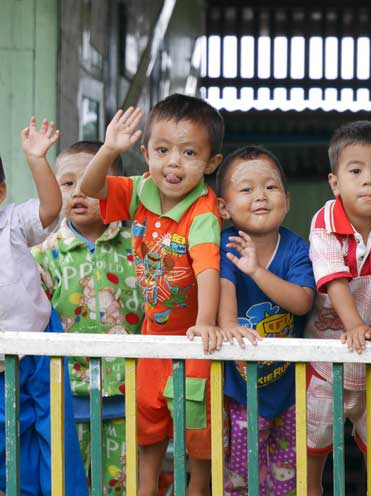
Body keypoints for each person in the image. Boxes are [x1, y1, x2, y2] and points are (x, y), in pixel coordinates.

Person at [80, 94, 224, 496]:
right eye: (162, 150)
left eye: (189, 153)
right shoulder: (142, 190)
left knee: (197, 437)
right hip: (152, 342)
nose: (173, 163)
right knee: (148, 432)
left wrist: (205, 324)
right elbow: (92, 190)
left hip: (195, 345)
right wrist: (109, 149)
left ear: (211, 164)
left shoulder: (203, 210)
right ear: (145, 153)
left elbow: (207, 267)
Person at [191, 145, 315, 495]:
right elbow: (224, 288)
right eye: (246, 189)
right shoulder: (225, 244)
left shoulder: (295, 248)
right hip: (243, 393)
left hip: (290, 390)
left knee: (287, 479)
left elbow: (303, 301)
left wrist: (258, 271)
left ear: (287, 201)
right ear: (224, 207)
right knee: (240, 479)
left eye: (270, 187)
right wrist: (227, 322)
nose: (260, 196)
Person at [32, 141, 144, 493]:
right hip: (64, 396)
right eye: (67, 183)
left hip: (131, 394)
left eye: (92, 182)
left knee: (123, 488)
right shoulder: (41, 255)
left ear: (118, 187)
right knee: (65, 486)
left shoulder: (139, 247)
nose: (79, 192)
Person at [304, 121, 371, 496]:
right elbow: (333, 278)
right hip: (327, 358)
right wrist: (356, 325)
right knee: (314, 443)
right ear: (334, 182)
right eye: (356, 171)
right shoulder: (324, 221)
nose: (368, 181)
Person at [0, 117, 87, 495]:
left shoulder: (13, 220)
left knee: (51, 430)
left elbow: (52, 208)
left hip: (38, 343)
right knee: (8, 434)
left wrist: (37, 159)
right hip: (2, 357)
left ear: (1, 191)